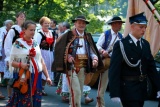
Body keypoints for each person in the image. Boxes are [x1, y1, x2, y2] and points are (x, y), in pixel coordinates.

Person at [108, 12, 160, 107]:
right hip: (128, 89)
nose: (143, 30)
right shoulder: (122, 44)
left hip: (142, 89)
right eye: (141, 27)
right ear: (132, 26)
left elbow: (151, 68)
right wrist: (114, 92)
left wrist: (158, 87)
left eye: (145, 27)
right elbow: (114, 70)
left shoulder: (145, 44)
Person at [52, 15, 103, 107]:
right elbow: (59, 48)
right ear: (75, 23)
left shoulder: (88, 36)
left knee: (77, 92)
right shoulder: (68, 35)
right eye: (79, 22)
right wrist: (67, 56)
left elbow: (92, 51)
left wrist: (95, 58)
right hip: (71, 67)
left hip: (83, 67)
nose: (81, 25)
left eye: (83, 23)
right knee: (76, 91)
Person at [6, 20, 52, 107]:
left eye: (34, 30)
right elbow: (11, 62)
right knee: (23, 98)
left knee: (35, 98)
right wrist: (21, 65)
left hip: (36, 75)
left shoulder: (35, 43)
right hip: (23, 76)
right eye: (31, 30)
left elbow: (41, 60)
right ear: (24, 30)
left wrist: (48, 77)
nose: (33, 32)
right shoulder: (18, 43)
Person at [96, 16, 124, 107]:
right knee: (102, 87)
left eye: (120, 23)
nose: (120, 25)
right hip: (107, 62)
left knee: (121, 86)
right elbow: (97, 46)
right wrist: (103, 51)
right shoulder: (106, 34)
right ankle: (100, 105)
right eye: (118, 23)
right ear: (113, 24)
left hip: (116, 63)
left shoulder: (121, 36)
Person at [4, 11, 25, 98]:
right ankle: (10, 96)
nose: (22, 18)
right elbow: (7, 44)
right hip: (14, 56)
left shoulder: (25, 29)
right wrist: (9, 57)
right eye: (20, 17)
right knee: (12, 77)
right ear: (16, 18)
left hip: (23, 57)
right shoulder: (13, 30)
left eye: (24, 17)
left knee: (21, 77)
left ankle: (18, 95)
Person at [34, 16, 56, 96]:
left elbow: (55, 43)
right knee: (41, 69)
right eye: (45, 23)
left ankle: (42, 88)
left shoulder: (51, 32)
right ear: (41, 24)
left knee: (47, 70)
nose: (47, 25)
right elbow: (36, 45)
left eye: (48, 23)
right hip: (42, 53)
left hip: (49, 53)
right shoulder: (39, 33)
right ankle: (37, 88)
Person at [0, 20, 14, 87]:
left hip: (7, 50)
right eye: (10, 24)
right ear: (6, 24)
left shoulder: (11, 31)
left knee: (5, 65)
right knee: (2, 65)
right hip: (2, 49)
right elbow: (0, 41)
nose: (11, 25)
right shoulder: (2, 30)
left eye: (12, 24)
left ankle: (4, 80)